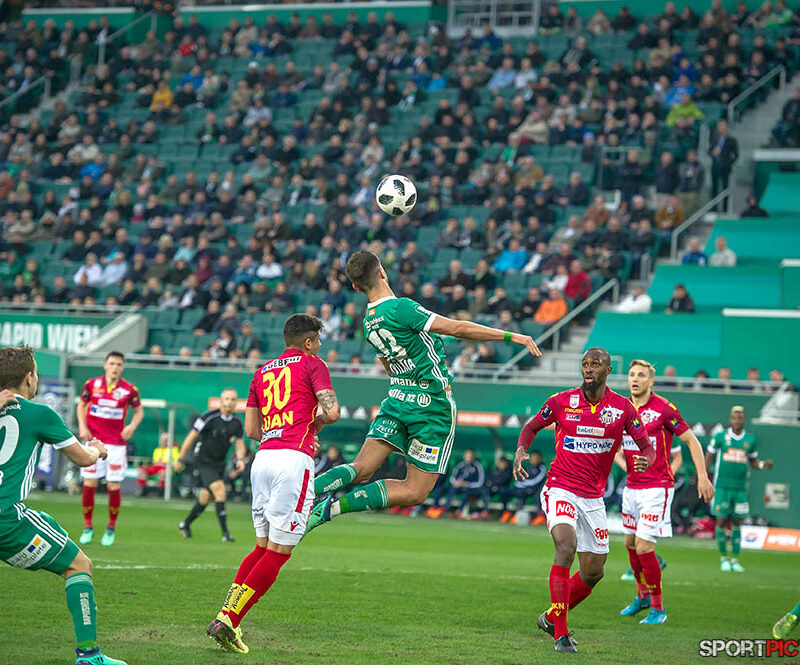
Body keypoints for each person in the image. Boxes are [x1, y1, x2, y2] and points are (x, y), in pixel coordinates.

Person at [307, 250, 540, 532]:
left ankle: (302, 492)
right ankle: (331, 509)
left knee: (361, 467)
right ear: (382, 271)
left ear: (356, 287)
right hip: (431, 405)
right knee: (415, 491)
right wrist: (511, 335)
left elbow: (388, 364)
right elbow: (457, 328)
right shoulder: (401, 308)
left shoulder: (368, 323)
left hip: (396, 399)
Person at [205, 314, 341, 653]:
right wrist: (313, 425)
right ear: (308, 342)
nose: (320, 346)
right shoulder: (313, 364)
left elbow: (252, 430)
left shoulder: (262, 371)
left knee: (262, 548)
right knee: (279, 553)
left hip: (263, 459)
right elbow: (333, 411)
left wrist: (287, 428)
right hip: (293, 461)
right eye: (318, 341)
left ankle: (227, 615)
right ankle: (228, 620)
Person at [513, 348, 656, 653]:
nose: (589, 369)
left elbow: (647, 447)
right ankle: (561, 635)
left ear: (608, 369)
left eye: (596, 364)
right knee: (565, 546)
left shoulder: (623, 409)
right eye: (585, 364)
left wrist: (645, 459)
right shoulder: (561, 402)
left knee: (594, 572)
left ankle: (552, 617)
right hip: (560, 487)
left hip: (593, 498)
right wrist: (521, 451)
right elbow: (531, 426)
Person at [0, 346, 126, 665]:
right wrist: (97, 450)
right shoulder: (40, 413)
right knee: (78, 565)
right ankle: (89, 655)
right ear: (29, 378)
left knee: (47, 523)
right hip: (5, 519)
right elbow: (83, 459)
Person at [614, 360, 714, 624]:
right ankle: (642, 596)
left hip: (657, 488)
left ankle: (658, 608)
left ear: (651, 381)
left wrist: (702, 477)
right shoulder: (621, 408)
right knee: (630, 545)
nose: (635, 379)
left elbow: (691, 440)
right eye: (632, 375)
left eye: (641, 375)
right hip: (632, 487)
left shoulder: (664, 408)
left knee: (645, 547)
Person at [77, 351, 144, 547]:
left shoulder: (129, 390)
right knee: (89, 483)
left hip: (116, 445)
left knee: (113, 486)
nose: (115, 367)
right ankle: (88, 526)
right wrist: (82, 427)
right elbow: (81, 405)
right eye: (112, 363)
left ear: (122, 368)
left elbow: (139, 411)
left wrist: (131, 427)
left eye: (119, 364)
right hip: (93, 442)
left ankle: (111, 527)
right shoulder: (91, 384)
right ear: (105, 365)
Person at [705, 406, 773, 573]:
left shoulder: (750, 439)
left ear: (744, 420)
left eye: (740, 418)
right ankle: (724, 558)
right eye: (734, 418)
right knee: (720, 520)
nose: (737, 421)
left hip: (740, 488)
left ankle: (735, 559)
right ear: (730, 419)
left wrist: (764, 465)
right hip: (722, 486)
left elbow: (754, 463)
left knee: (737, 522)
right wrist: (704, 476)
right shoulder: (721, 436)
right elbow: (709, 454)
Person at [174, 389, 247, 542]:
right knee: (220, 492)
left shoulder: (237, 422)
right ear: (221, 401)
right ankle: (226, 534)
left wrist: (240, 459)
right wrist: (180, 459)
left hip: (219, 463)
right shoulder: (208, 417)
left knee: (205, 499)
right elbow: (191, 437)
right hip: (203, 462)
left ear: (236, 402)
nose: (229, 402)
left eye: (233, 399)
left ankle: (185, 524)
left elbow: (240, 443)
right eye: (226, 399)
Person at [425, 448, 488, 519]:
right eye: (467, 456)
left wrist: (468, 484)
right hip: (459, 486)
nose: (468, 458)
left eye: (470, 456)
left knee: (466, 493)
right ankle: (437, 508)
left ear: (473, 457)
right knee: (441, 488)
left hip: (471, 488)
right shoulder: (460, 465)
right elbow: (453, 477)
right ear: (464, 456)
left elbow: (480, 481)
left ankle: (458, 511)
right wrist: (456, 482)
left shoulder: (478, 466)